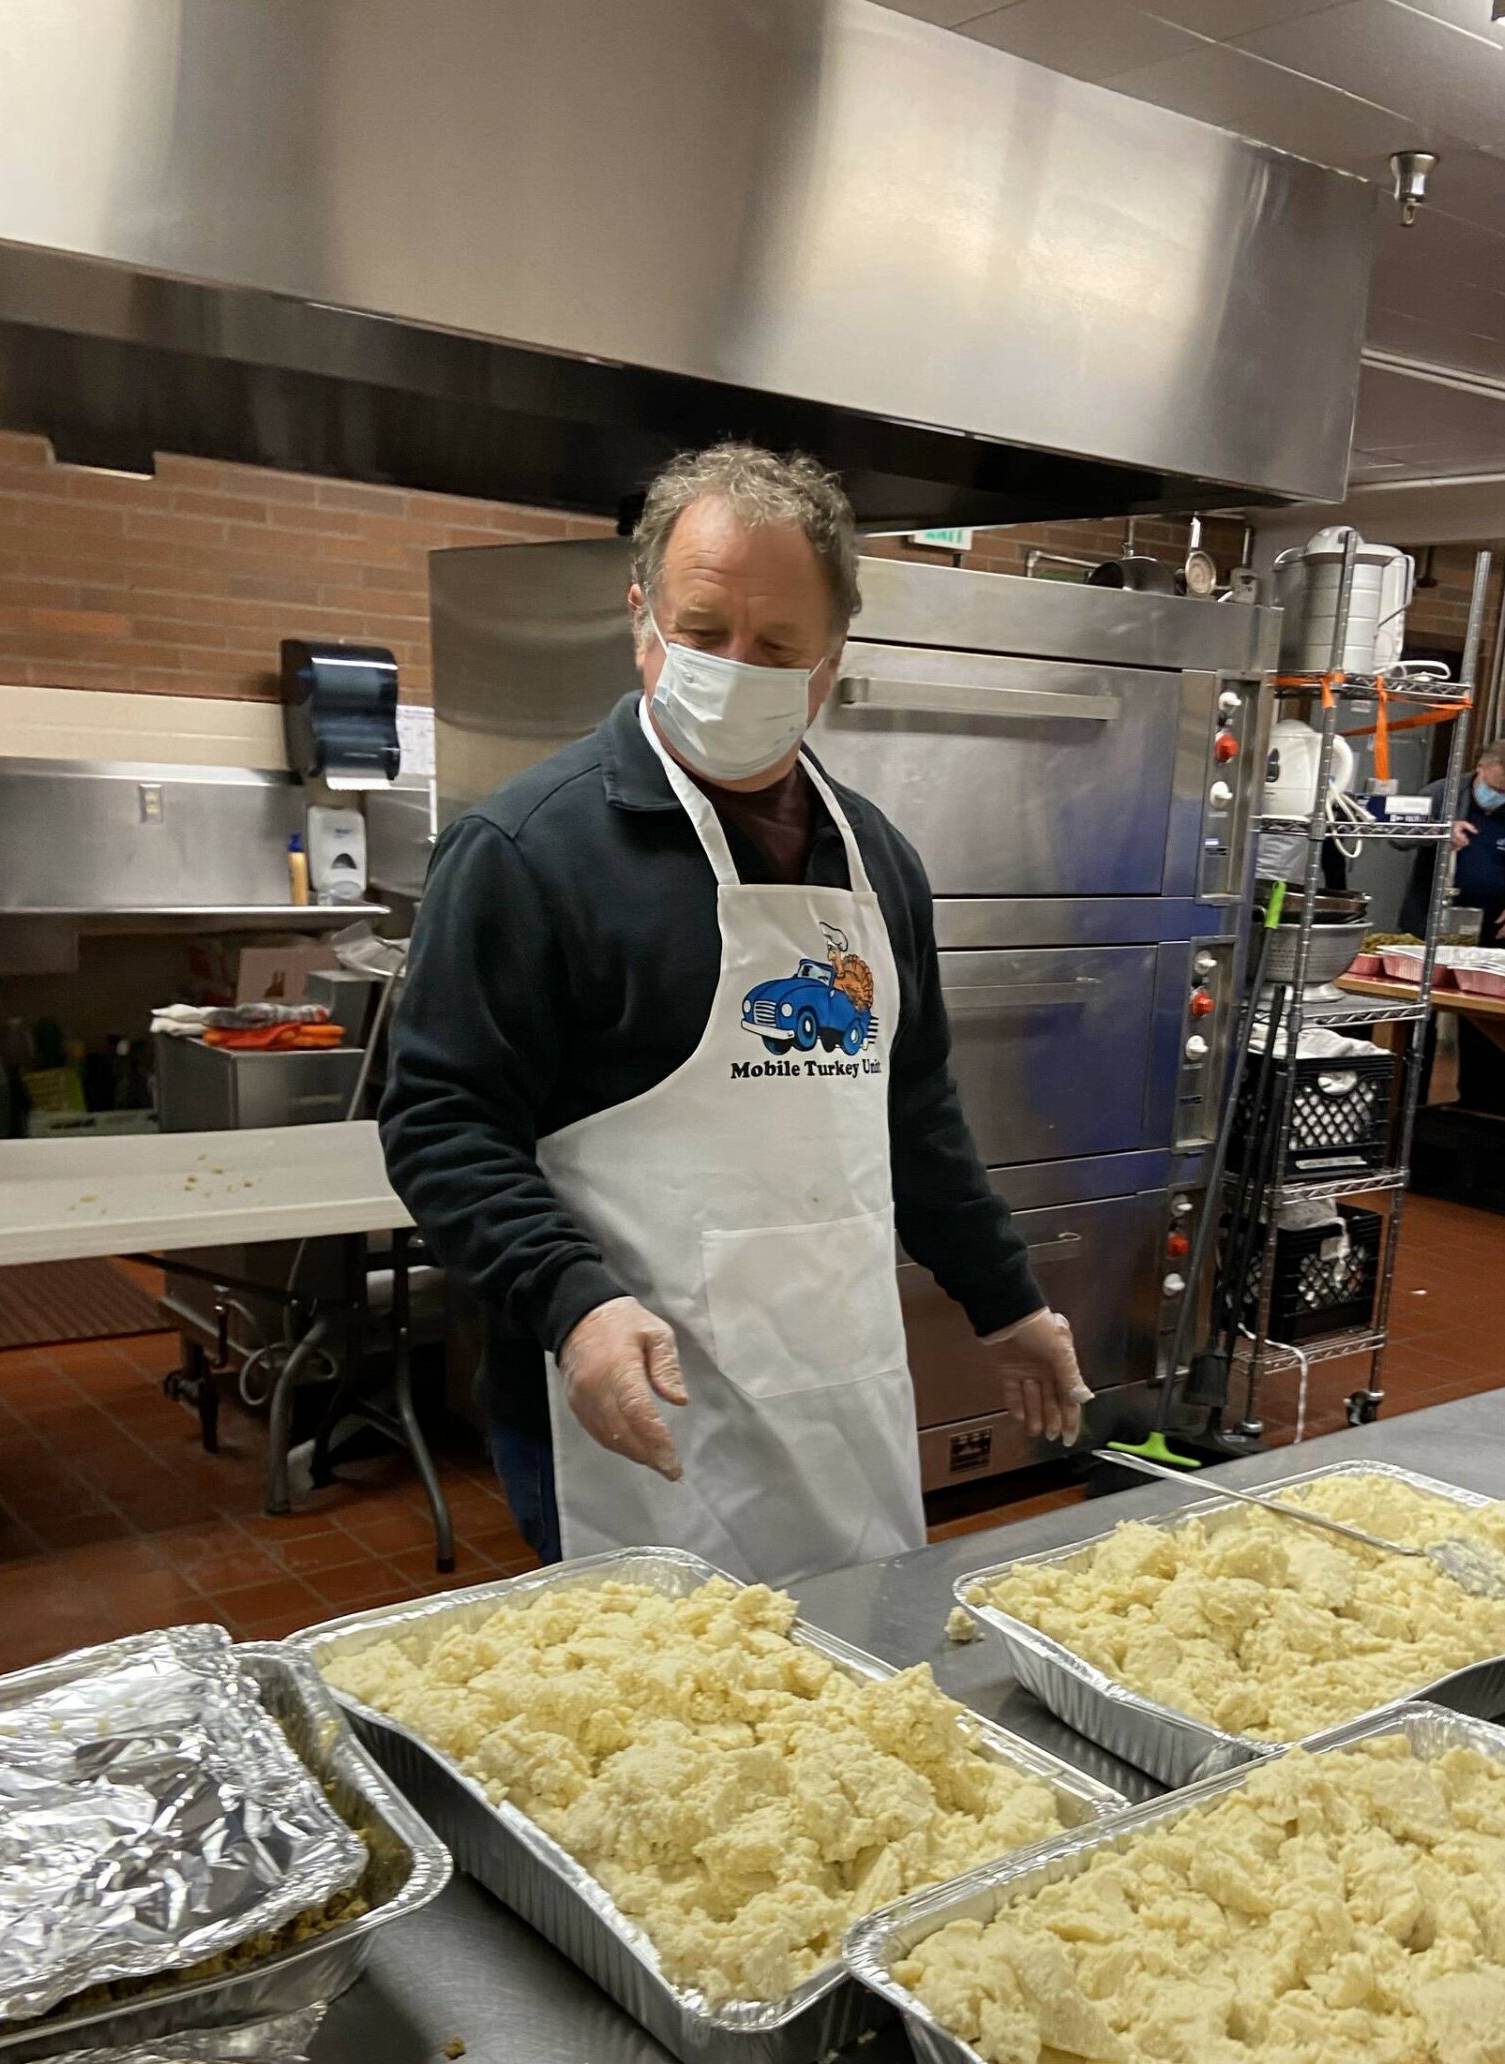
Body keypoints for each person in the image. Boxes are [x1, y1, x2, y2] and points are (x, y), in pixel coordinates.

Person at [380, 441, 1088, 1583]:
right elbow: (441, 1124)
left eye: (777, 647)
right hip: (628, 1404)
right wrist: (573, 1303)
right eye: (703, 634)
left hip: (839, 1395)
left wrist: (1007, 1303)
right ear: (641, 619)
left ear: (831, 659)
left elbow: (913, 1114)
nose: (734, 667)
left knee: (850, 1691)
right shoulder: (526, 852)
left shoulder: (878, 864)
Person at [1399, 739, 1505, 945]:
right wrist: (1439, 831)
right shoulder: (1441, 795)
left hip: (1492, 933)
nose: (1496, 795)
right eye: (1491, 787)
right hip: (1428, 925)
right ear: (1480, 767)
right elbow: (1398, 837)